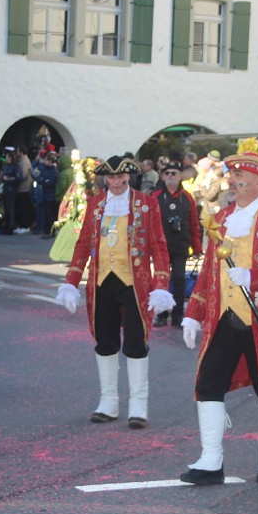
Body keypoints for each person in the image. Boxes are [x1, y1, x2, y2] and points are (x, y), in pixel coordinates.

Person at [179, 153, 258, 485]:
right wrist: (193, 314)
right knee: (208, 383)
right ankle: (210, 460)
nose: (233, 181)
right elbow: (208, 272)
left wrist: (255, 276)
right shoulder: (220, 217)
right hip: (223, 315)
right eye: (233, 176)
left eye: (239, 177)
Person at [56, 156, 174, 428]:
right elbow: (83, 244)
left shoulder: (147, 204)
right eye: (110, 178)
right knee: (105, 341)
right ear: (105, 179)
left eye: (121, 177)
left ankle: (138, 405)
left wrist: (160, 286)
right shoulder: (97, 204)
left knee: (135, 342)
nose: (116, 182)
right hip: (101, 284)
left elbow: (159, 246)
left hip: (135, 283)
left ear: (129, 177)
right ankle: (108, 401)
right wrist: (71, 281)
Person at [152, 162, 202, 328]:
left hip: (180, 246)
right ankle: (161, 314)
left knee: (179, 280)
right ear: (163, 176)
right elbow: (147, 223)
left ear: (180, 176)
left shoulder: (187, 197)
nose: (171, 176)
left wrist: (197, 248)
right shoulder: (156, 196)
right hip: (161, 247)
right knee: (162, 280)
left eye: (174, 173)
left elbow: (194, 224)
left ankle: (178, 314)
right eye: (168, 174)